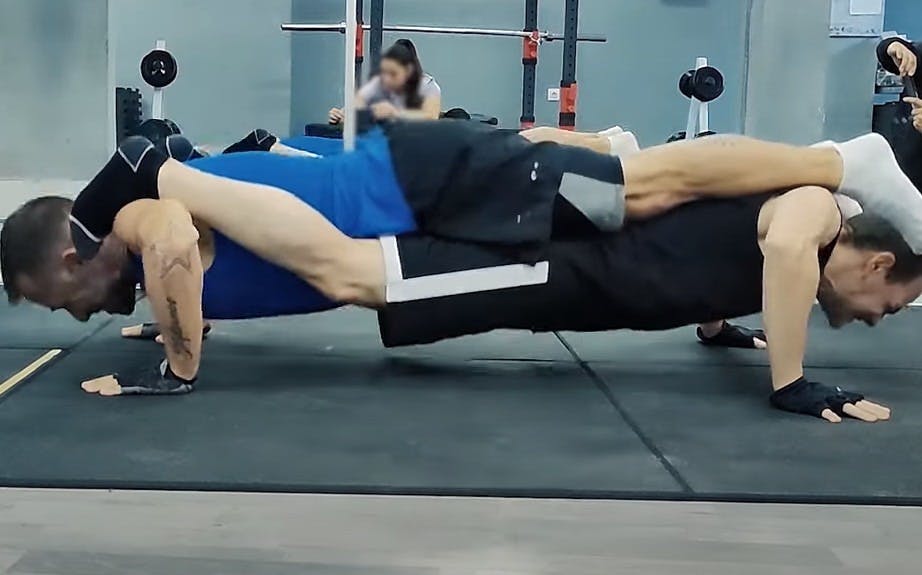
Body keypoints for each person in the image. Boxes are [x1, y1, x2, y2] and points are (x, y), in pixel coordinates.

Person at [2, 120, 920, 423]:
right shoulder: (146, 257)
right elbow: (180, 251)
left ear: (74, 255)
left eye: (60, 297)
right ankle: (614, 146)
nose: (72, 315)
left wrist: (177, 360)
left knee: (644, 183)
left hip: (423, 183)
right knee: (637, 188)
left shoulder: (139, 221)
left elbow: (166, 221)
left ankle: (846, 159)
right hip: (432, 191)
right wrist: (176, 319)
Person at [329, 39, 441, 124]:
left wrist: (395, 113)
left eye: (394, 73)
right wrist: (340, 115)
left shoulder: (427, 85)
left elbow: (431, 117)